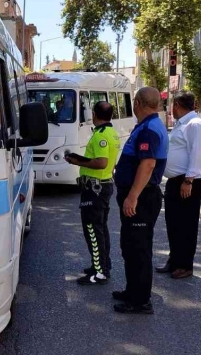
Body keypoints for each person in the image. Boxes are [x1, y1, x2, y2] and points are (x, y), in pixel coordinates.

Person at [112, 87, 168, 315]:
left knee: (139, 249)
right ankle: (132, 290)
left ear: (137, 103)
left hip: (142, 198)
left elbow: (148, 165)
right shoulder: (148, 126)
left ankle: (140, 301)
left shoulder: (150, 129)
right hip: (139, 196)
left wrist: (132, 196)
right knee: (130, 246)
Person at [65, 101, 119, 285]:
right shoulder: (111, 132)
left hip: (95, 189)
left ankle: (100, 272)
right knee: (100, 229)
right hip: (101, 186)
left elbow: (101, 162)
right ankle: (102, 265)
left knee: (93, 230)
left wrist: (77, 162)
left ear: (94, 114)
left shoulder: (101, 135)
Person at [157, 92, 201, 280]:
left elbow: (197, 154)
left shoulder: (195, 124)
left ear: (177, 104)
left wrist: (188, 181)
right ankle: (174, 260)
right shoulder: (182, 123)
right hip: (175, 181)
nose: (171, 109)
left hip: (189, 181)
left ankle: (185, 265)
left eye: (172, 105)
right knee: (173, 224)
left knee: (186, 225)